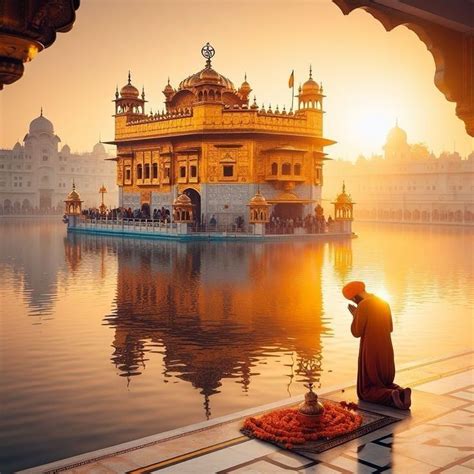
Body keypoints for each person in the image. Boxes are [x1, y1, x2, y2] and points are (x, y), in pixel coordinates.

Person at [342, 281, 411, 409]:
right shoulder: (383, 302)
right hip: (386, 348)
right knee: (385, 382)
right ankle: (401, 393)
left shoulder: (363, 305)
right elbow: (390, 327)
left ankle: (391, 395)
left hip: (371, 350)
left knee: (365, 391)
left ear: (354, 297)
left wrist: (355, 315)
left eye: (352, 299)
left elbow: (356, 332)